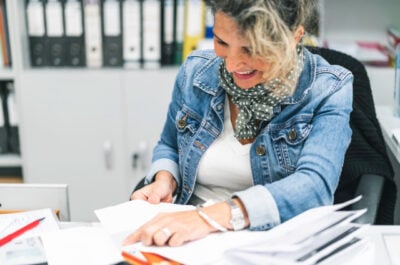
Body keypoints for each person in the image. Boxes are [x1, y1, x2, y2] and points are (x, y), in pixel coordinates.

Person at [123, 0, 353, 247]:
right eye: (222, 42)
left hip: (272, 243)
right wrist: (164, 178)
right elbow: (169, 144)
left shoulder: (328, 89)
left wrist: (212, 218)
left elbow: (315, 187)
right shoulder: (196, 71)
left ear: (295, 36)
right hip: (188, 238)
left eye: (251, 49)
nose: (231, 65)